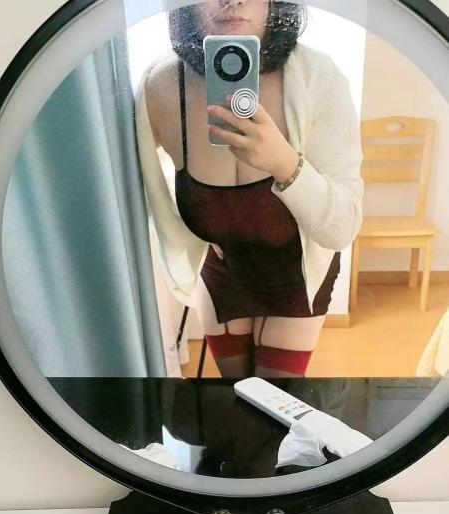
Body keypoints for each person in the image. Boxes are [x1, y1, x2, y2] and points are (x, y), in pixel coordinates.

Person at [135, 0, 363, 378]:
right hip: (222, 270)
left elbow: (342, 226)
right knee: (235, 394)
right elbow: (130, 184)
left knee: (273, 400)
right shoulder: (160, 87)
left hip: (296, 273)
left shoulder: (317, 78)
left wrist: (284, 163)